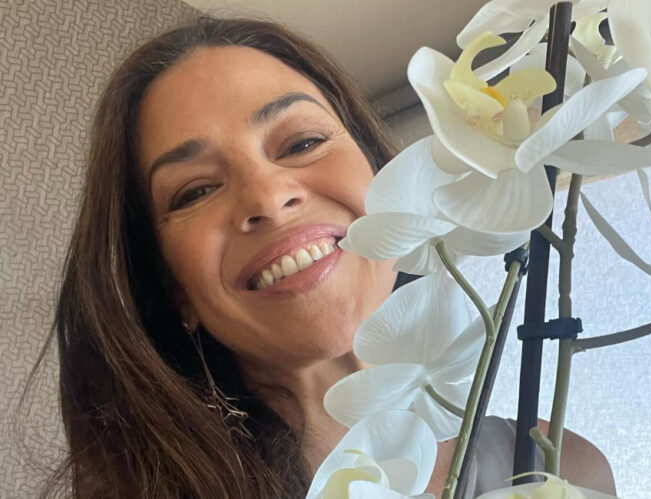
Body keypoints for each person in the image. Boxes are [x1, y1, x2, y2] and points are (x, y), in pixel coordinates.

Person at [39, 16, 615, 498]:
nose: (268, 197)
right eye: (195, 191)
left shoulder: (558, 468)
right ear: (172, 287)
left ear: (383, 173)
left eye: (303, 143)